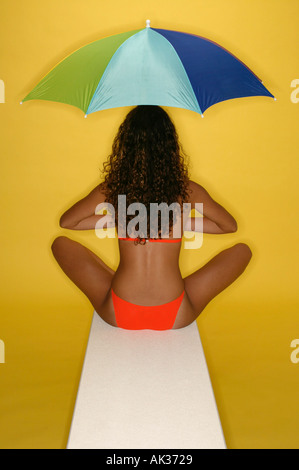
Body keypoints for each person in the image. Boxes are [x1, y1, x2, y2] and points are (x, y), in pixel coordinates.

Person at [51, 105, 252, 330]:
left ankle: (119, 283)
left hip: (120, 312)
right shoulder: (187, 190)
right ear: (170, 146)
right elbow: (228, 226)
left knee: (60, 244)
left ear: (125, 146)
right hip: (175, 313)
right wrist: (178, 221)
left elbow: (68, 222)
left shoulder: (113, 189)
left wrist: (120, 219)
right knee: (243, 250)